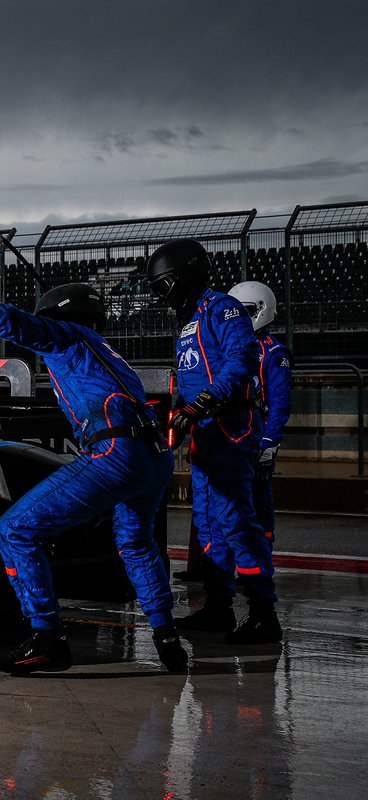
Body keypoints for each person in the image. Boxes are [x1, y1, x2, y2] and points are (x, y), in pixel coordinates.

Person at [0, 283, 187, 674]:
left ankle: (48, 639)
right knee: (135, 543)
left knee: (14, 530)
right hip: (154, 456)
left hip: (115, 452)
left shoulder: (65, 336)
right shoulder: (104, 352)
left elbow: (7, 321)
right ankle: (167, 638)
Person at [146, 239, 281, 644]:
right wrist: (179, 412)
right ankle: (218, 609)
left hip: (229, 427)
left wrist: (201, 404)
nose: (161, 296)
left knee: (237, 522)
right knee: (207, 527)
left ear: (184, 277)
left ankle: (263, 614)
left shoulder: (222, 309)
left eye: (164, 286)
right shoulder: (188, 323)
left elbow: (240, 362)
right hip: (202, 434)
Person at [227, 280, 292, 555]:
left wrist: (269, 442)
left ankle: (260, 555)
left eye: (247, 311)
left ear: (262, 311)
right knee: (231, 501)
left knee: (258, 499)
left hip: (259, 436)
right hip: (234, 432)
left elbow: (279, 403)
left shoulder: (275, 354)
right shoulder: (231, 348)